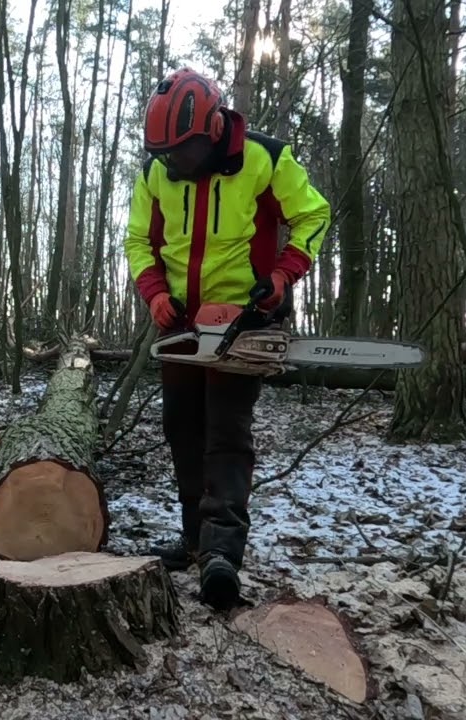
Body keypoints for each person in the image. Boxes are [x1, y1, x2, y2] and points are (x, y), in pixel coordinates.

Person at [122, 67, 330, 612]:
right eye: (167, 155)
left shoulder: (264, 158)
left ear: (213, 128)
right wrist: (153, 292)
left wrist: (282, 276)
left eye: (183, 154)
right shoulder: (156, 173)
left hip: (243, 319)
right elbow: (138, 239)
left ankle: (222, 552)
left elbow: (313, 214)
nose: (176, 165)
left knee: (227, 432)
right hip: (182, 323)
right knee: (181, 428)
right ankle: (195, 537)